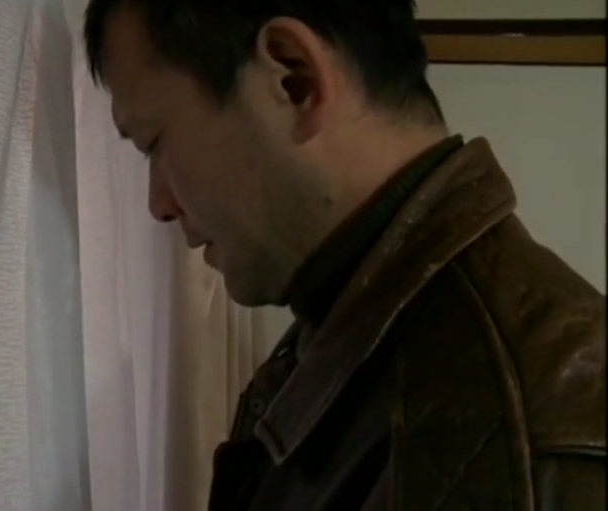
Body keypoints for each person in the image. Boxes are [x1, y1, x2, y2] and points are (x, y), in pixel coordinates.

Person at [81, 0, 607, 509]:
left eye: (154, 142)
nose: (158, 204)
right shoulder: (354, 322)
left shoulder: (516, 443)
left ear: (294, 79)